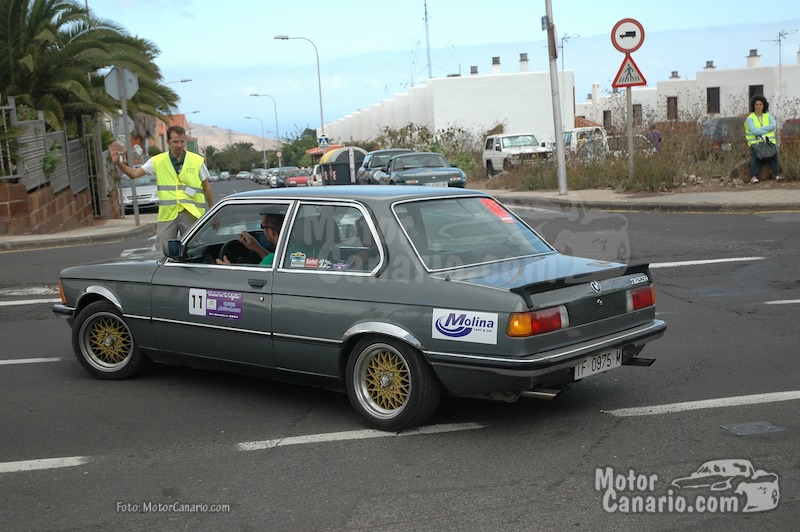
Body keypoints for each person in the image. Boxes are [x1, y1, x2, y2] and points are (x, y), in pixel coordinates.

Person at [111, 125, 215, 250]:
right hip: (168, 215)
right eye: (175, 142)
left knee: (194, 250)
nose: (179, 145)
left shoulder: (197, 160)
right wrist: (118, 163)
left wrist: (212, 213)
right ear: (168, 142)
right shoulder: (157, 161)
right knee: (162, 252)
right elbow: (134, 174)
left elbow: (207, 188)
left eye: (182, 141)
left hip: (191, 214)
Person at [216, 212, 284, 267]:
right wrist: (256, 247)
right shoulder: (290, 249)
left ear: (271, 232)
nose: (262, 230)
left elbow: (254, 281)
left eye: (262, 226)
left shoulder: (270, 259)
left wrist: (229, 269)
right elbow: (273, 261)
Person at [744, 94, 782, 184]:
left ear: (764, 105)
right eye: (757, 104)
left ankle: (776, 175)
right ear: (754, 106)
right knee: (756, 158)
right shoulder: (750, 118)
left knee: (773, 157)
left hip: (769, 142)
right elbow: (754, 131)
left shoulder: (768, 115)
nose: (759, 106)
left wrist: (760, 130)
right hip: (756, 143)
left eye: (760, 104)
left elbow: (773, 125)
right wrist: (766, 129)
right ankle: (754, 177)